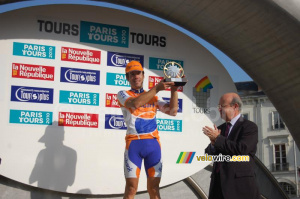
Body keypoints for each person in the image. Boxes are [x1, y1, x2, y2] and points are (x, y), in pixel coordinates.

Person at [117, 60, 179, 199]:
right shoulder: (122, 94)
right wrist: (157, 87)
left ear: (143, 75)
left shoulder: (153, 97)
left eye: (138, 73)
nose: (135, 77)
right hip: (134, 145)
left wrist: (174, 89)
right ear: (127, 78)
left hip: (153, 145)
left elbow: (173, 111)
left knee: (154, 189)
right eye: (131, 74)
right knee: (131, 188)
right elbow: (135, 103)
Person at [203, 93, 261, 199]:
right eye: (218, 107)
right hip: (217, 187)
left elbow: (241, 149)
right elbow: (208, 154)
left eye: (222, 106)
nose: (219, 110)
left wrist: (218, 139)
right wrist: (212, 143)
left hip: (239, 187)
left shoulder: (249, 127)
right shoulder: (220, 128)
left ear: (235, 106)